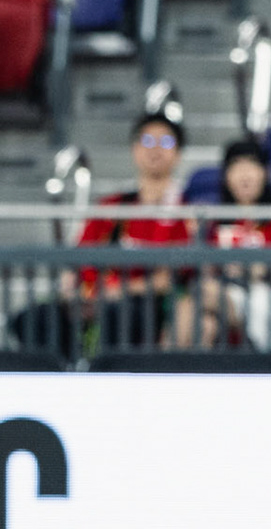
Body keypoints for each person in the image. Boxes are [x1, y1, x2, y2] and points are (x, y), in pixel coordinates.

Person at [11, 112, 193, 360]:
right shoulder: (112, 206)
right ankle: (64, 375)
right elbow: (80, 258)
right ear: (134, 149)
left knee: (117, 315)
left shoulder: (187, 211)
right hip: (90, 298)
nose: (156, 149)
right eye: (148, 141)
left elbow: (173, 278)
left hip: (142, 304)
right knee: (32, 319)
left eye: (166, 142)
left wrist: (120, 290)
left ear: (178, 153)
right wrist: (75, 290)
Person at [175, 141, 271, 353]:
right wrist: (196, 238)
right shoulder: (215, 222)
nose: (244, 175)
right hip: (222, 298)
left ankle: (160, 372)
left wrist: (258, 269)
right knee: (203, 324)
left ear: (266, 173)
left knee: (197, 299)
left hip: (268, 297)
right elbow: (204, 271)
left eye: (252, 166)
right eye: (237, 167)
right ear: (226, 177)